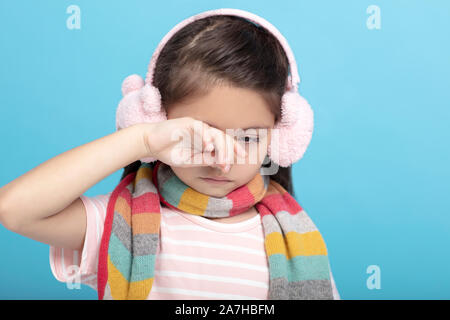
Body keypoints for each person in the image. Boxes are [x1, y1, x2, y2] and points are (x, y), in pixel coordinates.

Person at [0, 8, 340, 300]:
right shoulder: (122, 226)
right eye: (200, 133)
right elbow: (14, 209)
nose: (222, 158)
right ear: (156, 119)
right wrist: (143, 141)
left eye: (248, 138)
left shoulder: (299, 246)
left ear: (279, 139)